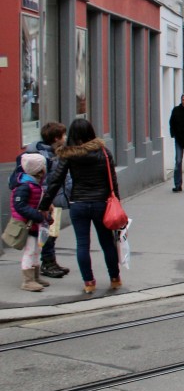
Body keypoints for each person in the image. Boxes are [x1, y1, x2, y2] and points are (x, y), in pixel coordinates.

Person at [39, 118, 121, 295]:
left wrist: (44, 205)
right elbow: (112, 181)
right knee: (107, 242)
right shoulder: (103, 152)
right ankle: (115, 279)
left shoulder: (69, 155)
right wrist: (118, 205)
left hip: (79, 203)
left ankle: (89, 282)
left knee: (82, 244)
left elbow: (55, 181)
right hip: (101, 203)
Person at [24, 122, 71, 278]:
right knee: (48, 234)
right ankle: (47, 264)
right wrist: (46, 200)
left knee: (53, 232)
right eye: (63, 135)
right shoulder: (44, 156)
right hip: (48, 201)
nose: (65, 137)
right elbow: (43, 180)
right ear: (56, 138)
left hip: (54, 198)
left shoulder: (55, 152)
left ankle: (51, 261)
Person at [11, 154, 50, 292]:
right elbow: (19, 206)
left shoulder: (34, 184)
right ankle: (27, 281)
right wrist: (38, 216)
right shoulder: (25, 186)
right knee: (30, 251)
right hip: (27, 224)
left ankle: (35, 277)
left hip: (34, 223)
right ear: (39, 170)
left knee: (36, 250)